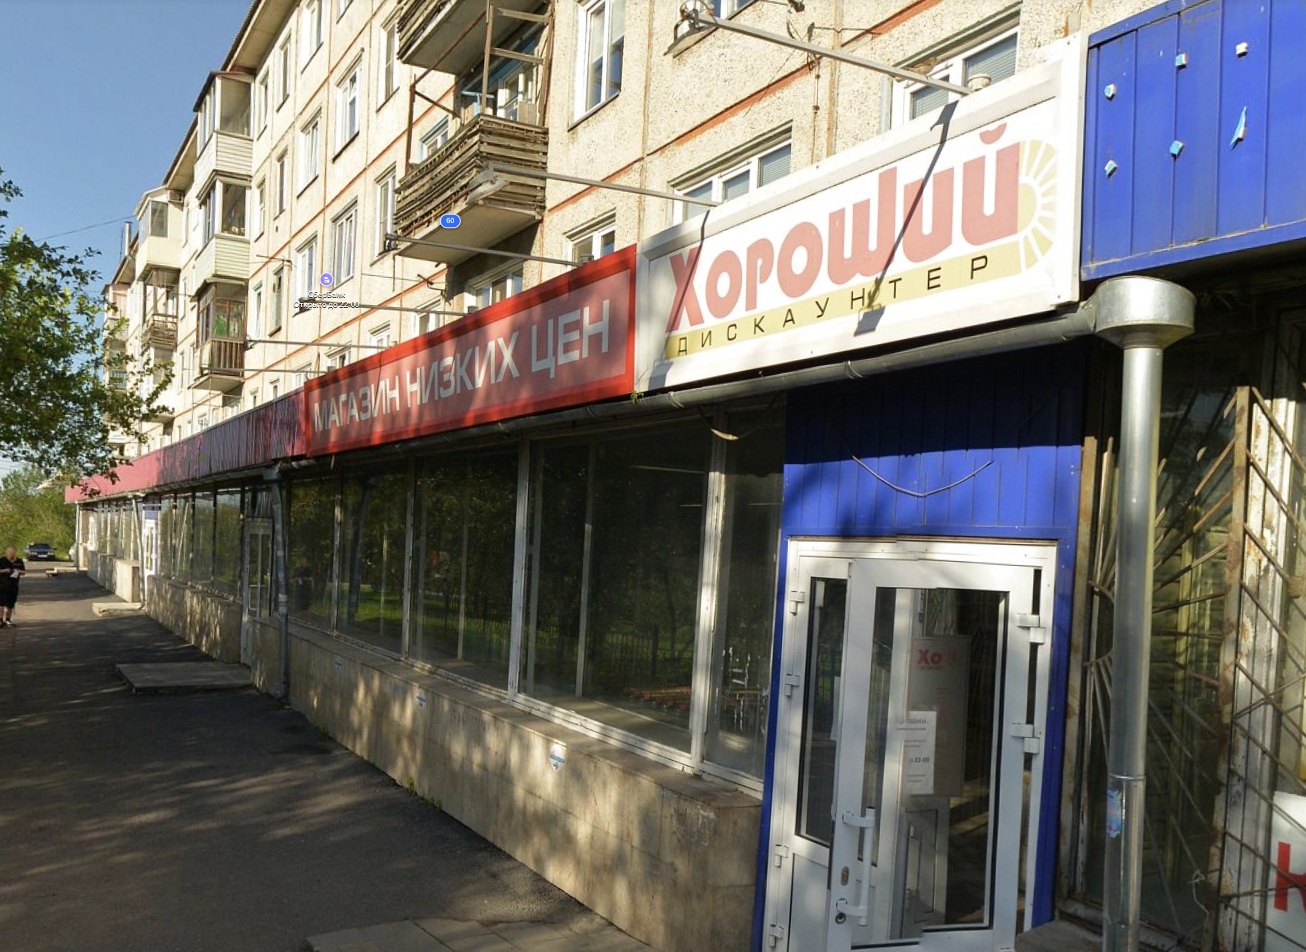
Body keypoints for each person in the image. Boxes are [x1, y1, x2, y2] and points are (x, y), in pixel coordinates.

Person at [0, 546, 25, 627]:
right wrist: (4, 570)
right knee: (1, 604)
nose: (11, 554)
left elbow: (24, 572)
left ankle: (8, 620)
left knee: (10, 604)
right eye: (9, 552)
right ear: (6, 553)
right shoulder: (2, 560)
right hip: (2, 586)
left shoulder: (19, 561)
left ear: (15, 553)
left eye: (12, 552)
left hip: (14, 586)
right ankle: (1, 621)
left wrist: (18, 571)